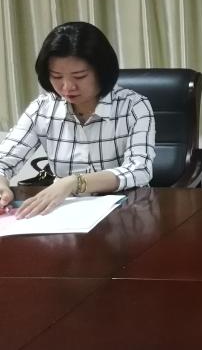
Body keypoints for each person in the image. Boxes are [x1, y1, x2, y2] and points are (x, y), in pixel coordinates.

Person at [0, 21, 155, 219]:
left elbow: (139, 170)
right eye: (56, 76)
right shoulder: (43, 108)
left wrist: (75, 182)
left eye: (79, 76)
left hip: (126, 213)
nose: (67, 87)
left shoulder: (133, 106)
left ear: (102, 71)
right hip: (67, 215)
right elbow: (4, 159)